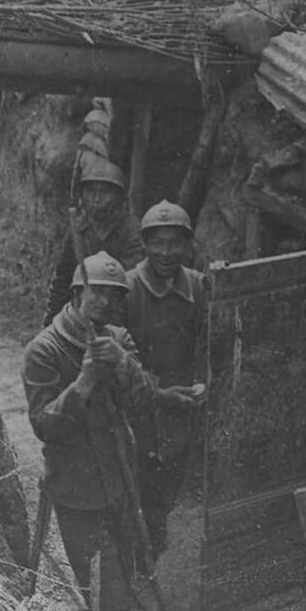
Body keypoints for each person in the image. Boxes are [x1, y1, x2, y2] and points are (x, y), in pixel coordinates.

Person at [23, 251, 197, 611]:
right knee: (106, 595)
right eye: (96, 292)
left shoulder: (118, 338)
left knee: (132, 569)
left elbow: (145, 400)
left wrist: (122, 363)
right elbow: (44, 426)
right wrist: (84, 383)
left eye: (113, 295)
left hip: (121, 482)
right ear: (75, 294)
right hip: (77, 489)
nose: (104, 302)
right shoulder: (44, 349)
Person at [124, 200, 208, 556]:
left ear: (188, 246)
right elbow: (118, 356)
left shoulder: (199, 287)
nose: (166, 252)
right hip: (138, 401)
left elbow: (208, 341)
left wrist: (204, 382)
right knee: (137, 478)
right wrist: (154, 391)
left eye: (175, 243)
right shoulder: (126, 289)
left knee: (171, 480)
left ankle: (155, 546)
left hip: (181, 403)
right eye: (157, 242)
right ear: (144, 244)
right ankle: (137, 551)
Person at [42, 157, 144, 327]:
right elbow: (63, 276)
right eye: (91, 192)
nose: (96, 199)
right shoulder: (78, 227)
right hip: (82, 310)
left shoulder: (130, 229)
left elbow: (131, 282)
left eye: (104, 192)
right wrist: (50, 321)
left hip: (117, 310)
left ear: (118, 196)